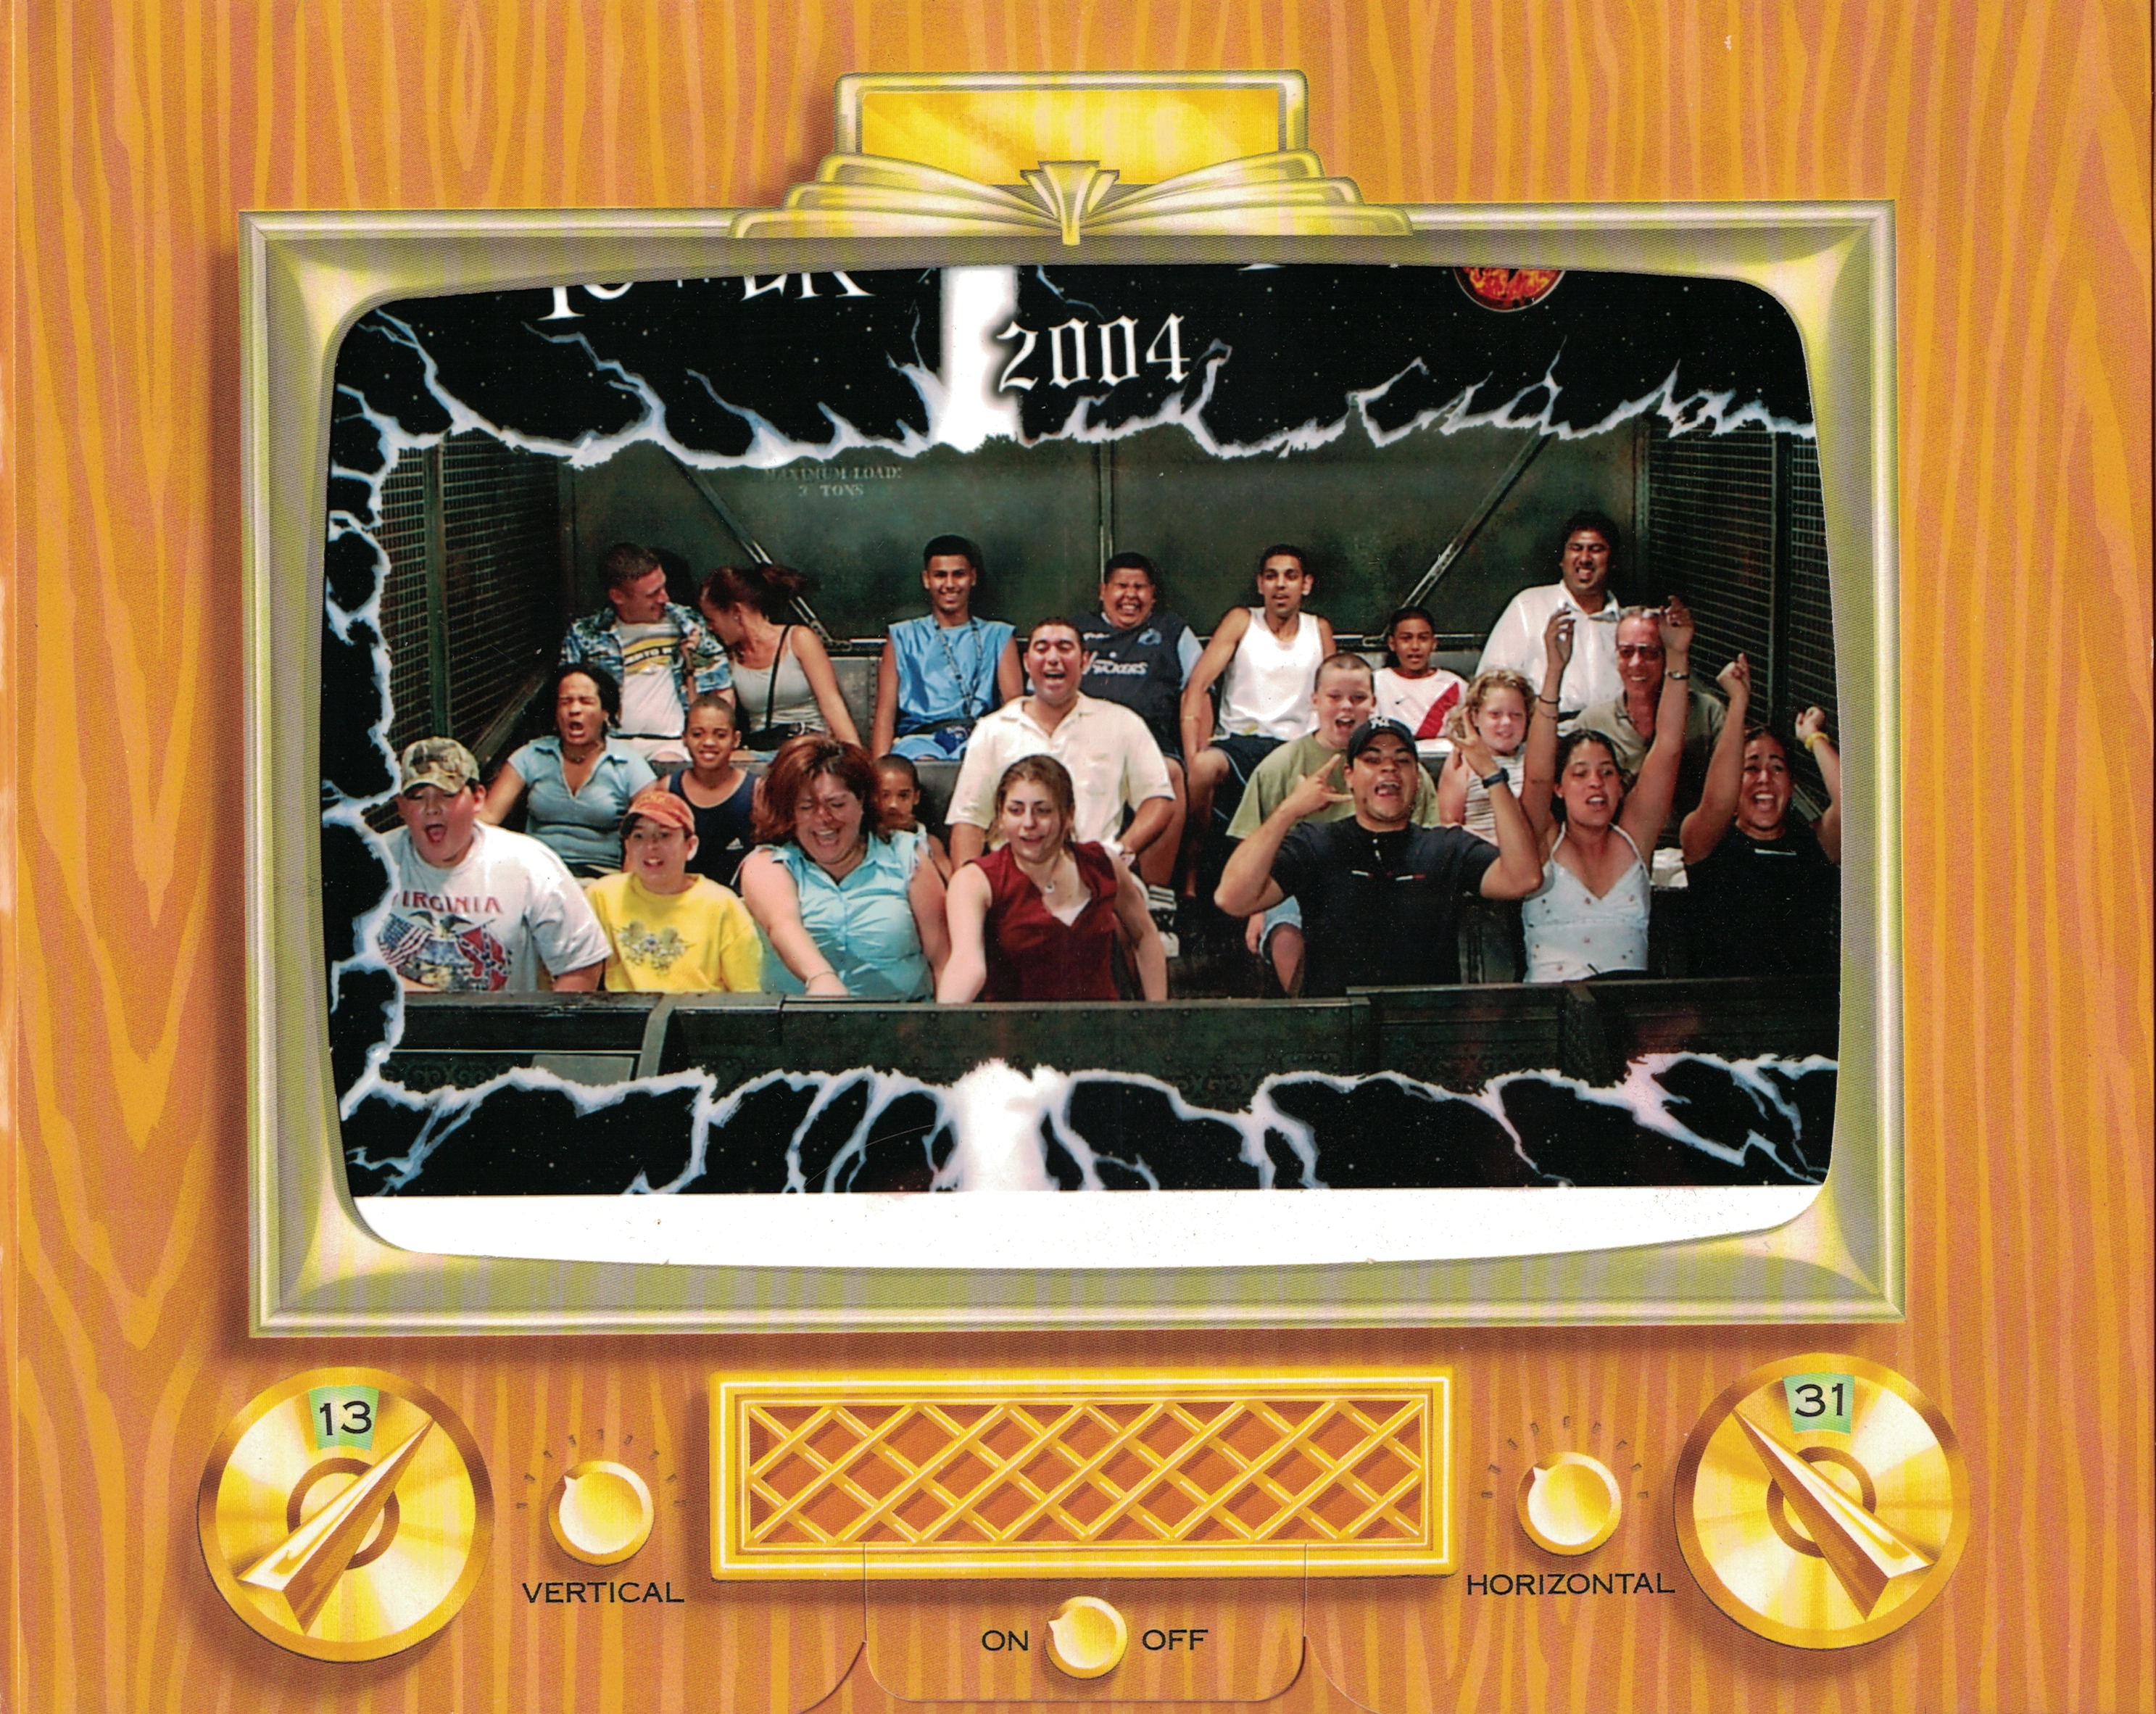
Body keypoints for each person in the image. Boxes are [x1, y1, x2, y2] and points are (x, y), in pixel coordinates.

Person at [1215, 719, 1541, 997]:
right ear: (1349, 776)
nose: (1389, 767)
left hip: (1423, 1036)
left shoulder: (1447, 846)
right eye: (1372, 760)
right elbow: (1233, 898)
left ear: (1417, 778)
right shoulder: (1315, 843)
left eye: (1402, 760)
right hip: (1337, 1036)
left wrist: (1492, 775)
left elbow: (1523, 878)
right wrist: (1288, 811)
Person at [1226, 653, 1445, 993]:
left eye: (1358, 699)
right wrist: (1257, 909)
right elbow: (1249, 847)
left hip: (1384, 877)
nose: (1347, 707)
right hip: (1298, 881)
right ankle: (1310, 1016)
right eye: (1335, 697)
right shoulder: (1280, 766)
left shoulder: (1402, 774)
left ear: (1373, 702)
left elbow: (1430, 837)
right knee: (1285, 927)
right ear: (1315, 700)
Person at [1515, 599, 1696, 982]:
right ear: (1560, 788)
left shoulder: (1635, 835)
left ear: (1620, 784)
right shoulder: (1544, 837)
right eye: (1581, 773)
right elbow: (1535, 777)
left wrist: (1678, 656)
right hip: (1556, 1014)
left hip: (1631, 1013)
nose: (1596, 782)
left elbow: (1667, 748)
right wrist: (1554, 672)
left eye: (1607, 772)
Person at [943, 618, 1176, 875]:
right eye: (1042, 649)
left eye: (1065, 648)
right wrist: (968, 890)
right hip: (1015, 885)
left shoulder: (1122, 723)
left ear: (1085, 661)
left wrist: (1120, 852)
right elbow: (969, 820)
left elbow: (1158, 799)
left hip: (1095, 878)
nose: (1053, 658)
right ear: (1027, 663)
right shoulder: (992, 729)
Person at [376, 737, 609, 993]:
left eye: (447, 794)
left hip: (501, 1030)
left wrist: (543, 1031)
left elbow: (582, 963)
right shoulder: (369, 861)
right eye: (417, 796)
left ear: (478, 798)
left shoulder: (528, 862)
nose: (432, 808)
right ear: (400, 807)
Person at [937, 756, 1168, 1003]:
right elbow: (967, 965)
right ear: (1001, 818)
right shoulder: (973, 881)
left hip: (1100, 1031)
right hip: (1015, 1035)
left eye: (1043, 811)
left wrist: (1159, 1017)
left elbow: (1144, 934)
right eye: (1015, 811)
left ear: (1068, 815)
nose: (1029, 823)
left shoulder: (1104, 864)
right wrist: (939, 1032)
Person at [736, 734, 950, 999]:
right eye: (806, 807)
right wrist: (821, 978)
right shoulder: (765, 864)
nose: (823, 819)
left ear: (862, 800)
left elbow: (943, 960)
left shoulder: (908, 855)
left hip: (902, 1027)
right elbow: (782, 925)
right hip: (800, 1029)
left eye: (836, 804)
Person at [1178, 544, 1336, 891]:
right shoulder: (1242, 621)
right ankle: (1190, 884)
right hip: (1240, 742)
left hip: (1297, 747)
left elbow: (1334, 694)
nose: (1281, 585)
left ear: (1305, 585)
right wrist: (1193, 754)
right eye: (1272, 576)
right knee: (1203, 769)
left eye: (1290, 576)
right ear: (1261, 584)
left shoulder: (1318, 629)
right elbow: (1197, 687)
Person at [1680, 654, 1842, 977]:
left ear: (1792, 785)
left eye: (1777, 768)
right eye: (1751, 768)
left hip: (1803, 1014)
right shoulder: (1707, 843)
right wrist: (1738, 701)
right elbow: (1716, 802)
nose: (1765, 779)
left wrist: (1813, 736)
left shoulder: (1814, 843)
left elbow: (1855, 806)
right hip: (1730, 1014)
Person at [1076, 551, 1201, 911]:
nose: (1130, 595)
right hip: (1086, 744)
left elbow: (1200, 688)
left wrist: (1195, 753)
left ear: (1153, 595)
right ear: (1103, 591)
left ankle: (1157, 900)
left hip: (1153, 748)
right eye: (1121, 586)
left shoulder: (1172, 631)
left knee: (1172, 774)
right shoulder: (1076, 630)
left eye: (1139, 587)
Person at [560, 541, 731, 764]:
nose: (665, 598)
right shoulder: (585, 635)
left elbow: (721, 689)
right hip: (608, 746)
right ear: (618, 596)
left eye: (663, 587)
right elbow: (566, 698)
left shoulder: (688, 625)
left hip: (672, 744)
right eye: (653, 593)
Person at [479, 663, 656, 877]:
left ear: (605, 711)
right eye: (566, 701)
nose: (574, 709)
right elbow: (488, 815)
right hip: (538, 874)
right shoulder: (532, 755)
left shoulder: (629, 765)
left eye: (586, 701)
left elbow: (647, 837)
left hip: (599, 879)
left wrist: (622, 892)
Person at [1572, 605, 1728, 845]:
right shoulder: (1593, 723)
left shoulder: (1708, 713)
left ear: (1667, 656)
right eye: (1626, 652)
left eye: (1650, 653)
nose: (1636, 663)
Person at [584, 787, 763, 993]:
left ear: (690, 846)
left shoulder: (722, 905)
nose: (651, 846)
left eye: (664, 835)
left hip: (698, 1018)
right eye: (639, 836)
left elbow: (746, 995)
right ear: (627, 846)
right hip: (627, 1019)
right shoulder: (602, 896)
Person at [871, 534, 1022, 760]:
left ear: (972, 577)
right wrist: (880, 772)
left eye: (958, 574)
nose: (950, 584)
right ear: (926, 579)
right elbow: (885, 713)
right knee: (922, 763)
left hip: (978, 738)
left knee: (977, 759)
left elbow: (1014, 710)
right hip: (920, 741)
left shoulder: (998, 635)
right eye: (940, 575)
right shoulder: (903, 635)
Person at [1475, 510, 1626, 717]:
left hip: (1612, 734)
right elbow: (1488, 683)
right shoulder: (1528, 605)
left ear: (1613, 560)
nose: (1585, 558)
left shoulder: (1626, 622)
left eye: (1596, 549)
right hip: (1546, 731)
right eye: (1576, 548)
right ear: (1562, 559)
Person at [697, 563, 862, 751]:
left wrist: (857, 757)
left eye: (711, 619)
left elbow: (832, 703)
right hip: (762, 749)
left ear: (736, 612)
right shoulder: (728, 658)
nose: (710, 627)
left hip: (808, 745)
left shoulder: (798, 639)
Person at [666, 692, 758, 888]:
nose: (708, 742)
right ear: (684, 738)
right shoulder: (667, 789)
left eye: (720, 735)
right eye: (698, 734)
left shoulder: (757, 791)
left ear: (736, 739)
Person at [1435, 668, 1535, 842]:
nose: (1506, 722)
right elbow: (1449, 824)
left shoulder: (1534, 757)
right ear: (1474, 717)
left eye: (1516, 715)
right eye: (1495, 714)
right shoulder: (1462, 759)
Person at [1371, 605, 1465, 758]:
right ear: (1392, 643)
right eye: (1406, 638)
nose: (1415, 646)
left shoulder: (1454, 684)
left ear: (1434, 643)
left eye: (1423, 638)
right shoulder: (1377, 682)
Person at [874, 754, 953, 879]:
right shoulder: (863, 837)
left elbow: (950, 878)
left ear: (916, 797)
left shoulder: (928, 841)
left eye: (903, 796)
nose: (893, 804)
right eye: (884, 795)